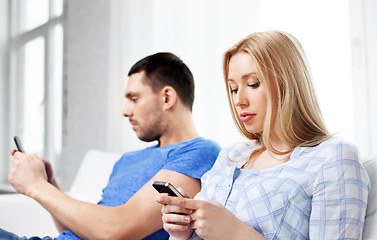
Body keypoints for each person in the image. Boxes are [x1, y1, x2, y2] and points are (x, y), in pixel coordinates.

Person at [156, 31, 371, 239]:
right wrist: (183, 231)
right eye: (233, 89)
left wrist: (235, 234)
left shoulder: (333, 158)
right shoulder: (232, 155)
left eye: (253, 84)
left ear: (288, 84)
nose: (239, 100)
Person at [4, 52, 221, 240]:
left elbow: (114, 232)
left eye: (134, 99)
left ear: (166, 98)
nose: (125, 111)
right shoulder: (127, 159)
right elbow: (86, 232)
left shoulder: (199, 152)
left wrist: (35, 186)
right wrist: (49, 185)